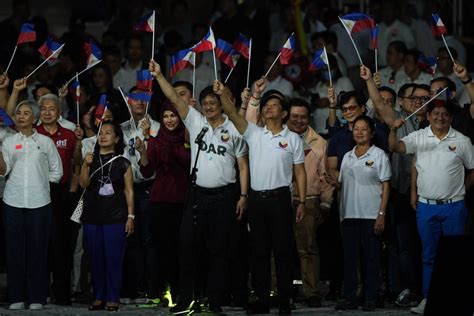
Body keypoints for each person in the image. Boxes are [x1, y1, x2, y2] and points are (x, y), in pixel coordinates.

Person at [149, 59, 249, 314]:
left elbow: (243, 166)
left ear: (221, 104)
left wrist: (243, 195)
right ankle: (186, 300)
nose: (209, 107)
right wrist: (160, 75)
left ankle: (215, 301)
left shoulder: (234, 129)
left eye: (213, 104)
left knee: (218, 251)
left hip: (224, 196)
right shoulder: (196, 122)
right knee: (187, 247)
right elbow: (174, 96)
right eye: (205, 104)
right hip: (196, 196)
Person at [215, 80, 306, 315]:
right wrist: (222, 93)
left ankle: (285, 300)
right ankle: (263, 299)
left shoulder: (293, 138)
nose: (268, 108)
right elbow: (233, 114)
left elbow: (300, 172)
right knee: (259, 252)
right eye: (266, 105)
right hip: (257, 200)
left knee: (283, 251)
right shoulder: (254, 133)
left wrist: (302, 201)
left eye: (274, 105)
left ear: (284, 113)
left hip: (281, 199)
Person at [389, 100, 474, 314]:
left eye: (445, 114)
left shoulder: (462, 141)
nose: (440, 117)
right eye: (436, 113)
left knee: (456, 256)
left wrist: (462, 189)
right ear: (428, 116)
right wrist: (393, 130)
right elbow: (395, 147)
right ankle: (429, 299)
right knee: (429, 255)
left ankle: (457, 300)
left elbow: (473, 169)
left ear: (451, 118)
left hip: (454, 207)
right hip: (426, 208)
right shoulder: (418, 137)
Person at [0, 100, 63, 310]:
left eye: (26, 113)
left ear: (34, 118)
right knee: (15, 251)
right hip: (13, 201)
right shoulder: (8, 142)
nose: (20, 116)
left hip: (40, 203)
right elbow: (2, 171)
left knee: (38, 251)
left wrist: (41, 184)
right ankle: (16, 297)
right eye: (18, 113)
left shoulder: (45, 142)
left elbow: (57, 172)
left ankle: (37, 297)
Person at [330, 115, 391, 311]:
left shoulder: (379, 155)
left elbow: (386, 185)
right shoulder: (347, 156)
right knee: (350, 259)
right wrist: (333, 182)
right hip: (349, 215)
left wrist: (381, 214)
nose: (359, 132)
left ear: (372, 133)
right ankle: (350, 298)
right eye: (356, 128)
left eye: (364, 129)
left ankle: (371, 298)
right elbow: (342, 185)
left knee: (371, 259)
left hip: (371, 215)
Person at [136, 100, 191, 304]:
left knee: (182, 248)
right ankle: (163, 291)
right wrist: (143, 152)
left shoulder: (188, 136)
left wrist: (180, 146)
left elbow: (189, 162)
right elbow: (147, 171)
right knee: (162, 249)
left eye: (173, 115)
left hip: (183, 201)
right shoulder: (157, 141)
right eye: (166, 116)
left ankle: (182, 291)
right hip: (160, 201)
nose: (169, 120)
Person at [79, 121, 135, 311]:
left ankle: (112, 297)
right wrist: (85, 166)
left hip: (115, 216)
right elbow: (83, 184)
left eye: (108, 133)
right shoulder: (90, 158)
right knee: (95, 258)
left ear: (117, 138)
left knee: (113, 258)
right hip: (92, 216)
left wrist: (131, 216)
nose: (103, 136)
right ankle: (98, 296)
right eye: (100, 133)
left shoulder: (123, 162)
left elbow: (129, 191)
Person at [286, 98, 334, 307]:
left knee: (307, 249)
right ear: (287, 115)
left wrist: (325, 204)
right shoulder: (276, 138)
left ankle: (311, 292)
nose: (298, 120)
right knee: (280, 249)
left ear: (309, 118)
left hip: (309, 201)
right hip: (280, 199)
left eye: (302, 117)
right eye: (294, 116)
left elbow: (325, 176)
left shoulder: (319, 143)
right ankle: (281, 289)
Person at [36, 93, 81, 305]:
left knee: (61, 244)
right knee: (40, 243)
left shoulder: (70, 134)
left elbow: (76, 164)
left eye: (51, 109)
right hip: (37, 193)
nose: (47, 112)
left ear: (59, 112)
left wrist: (72, 190)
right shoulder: (33, 134)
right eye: (43, 109)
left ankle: (62, 293)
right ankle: (39, 291)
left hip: (62, 193)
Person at [120, 86, 160, 302]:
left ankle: (151, 288)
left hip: (149, 189)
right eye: (135, 98)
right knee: (130, 240)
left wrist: (149, 136)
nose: (139, 102)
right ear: (128, 101)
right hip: (126, 190)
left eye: (144, 99)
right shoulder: (121, 129)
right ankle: (132, 288)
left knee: (148, 240)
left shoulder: (158, 127)